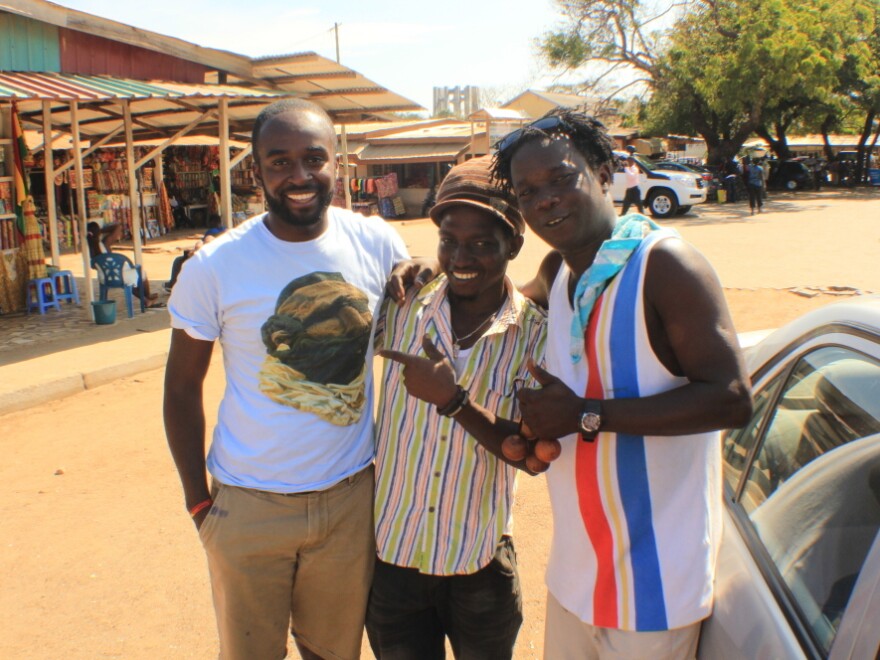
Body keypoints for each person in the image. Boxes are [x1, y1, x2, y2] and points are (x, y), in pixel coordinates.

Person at [491, 108, 753, 658]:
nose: (545, 199)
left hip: (653, 591)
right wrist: (432, 279)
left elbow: (731, 398)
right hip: (574, 576)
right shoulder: (557, 273)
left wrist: (587, 414)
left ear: (604, 172)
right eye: (527, 191)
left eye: (562, 179)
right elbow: (500, 306)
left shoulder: (665, 265)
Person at [163, 98, 414, 660]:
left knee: (334, 653)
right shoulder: (216, 266)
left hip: (349, 499)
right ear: (257, 171)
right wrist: (198, 503)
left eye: (313, 159)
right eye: (279, 162)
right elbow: (181, 387)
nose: (299, 176)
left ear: (337, 163)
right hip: (247, 505)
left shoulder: (376, 244)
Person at [367, 156, 547, 659]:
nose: (462, 256)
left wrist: (454, 401)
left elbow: (528, 454)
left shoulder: (536, 337)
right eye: (450, 240)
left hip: (479, 564)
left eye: (483, 243)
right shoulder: (401, 306)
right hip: (394, 559)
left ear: (514, 244)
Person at [86, 221, 160, 307]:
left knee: (130, 278)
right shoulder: (104, 244)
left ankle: (146, 299)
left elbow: (93, 266)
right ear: (98, 233)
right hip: (120, 276)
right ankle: (147, 298)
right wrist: (100, 230)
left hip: (104, 278)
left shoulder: (89, 250)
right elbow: (117, 226)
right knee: (140, 273)